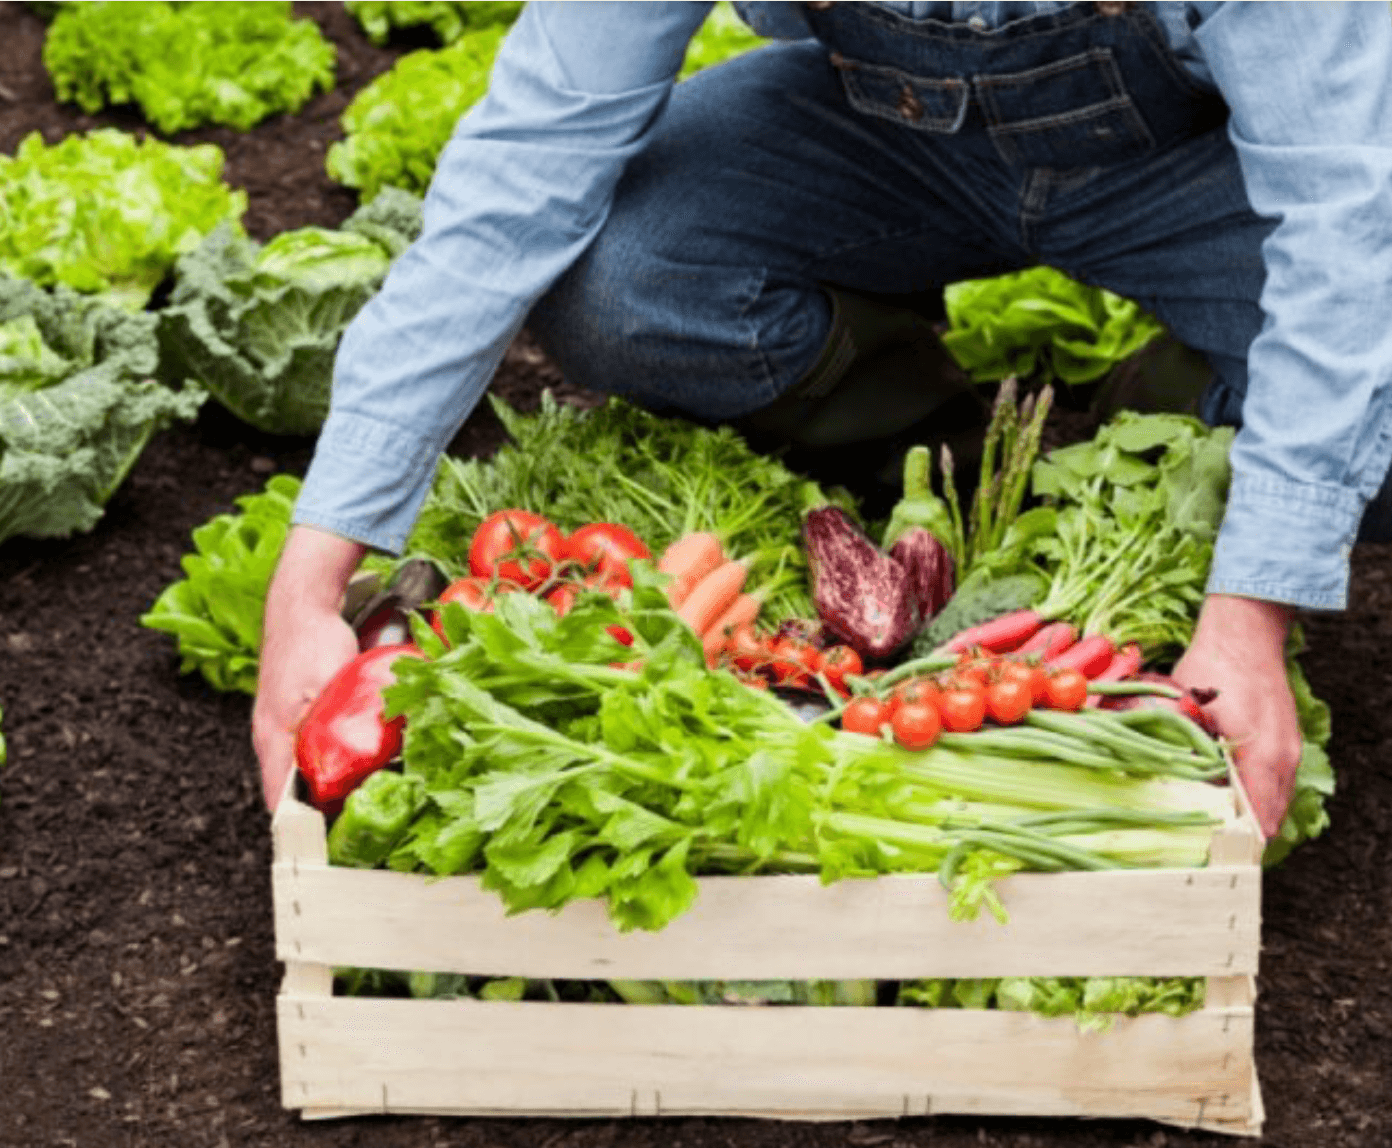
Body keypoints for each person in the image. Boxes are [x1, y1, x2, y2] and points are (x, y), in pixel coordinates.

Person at [252, 2, 1392, 840]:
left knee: (1372, 423)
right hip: (891, 142)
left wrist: (1249, 616)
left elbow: (1344, 230)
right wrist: (312, 579)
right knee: (626, 280)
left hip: (1196, 163)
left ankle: (1170, 425)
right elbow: (523, 165)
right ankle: (915, 434)